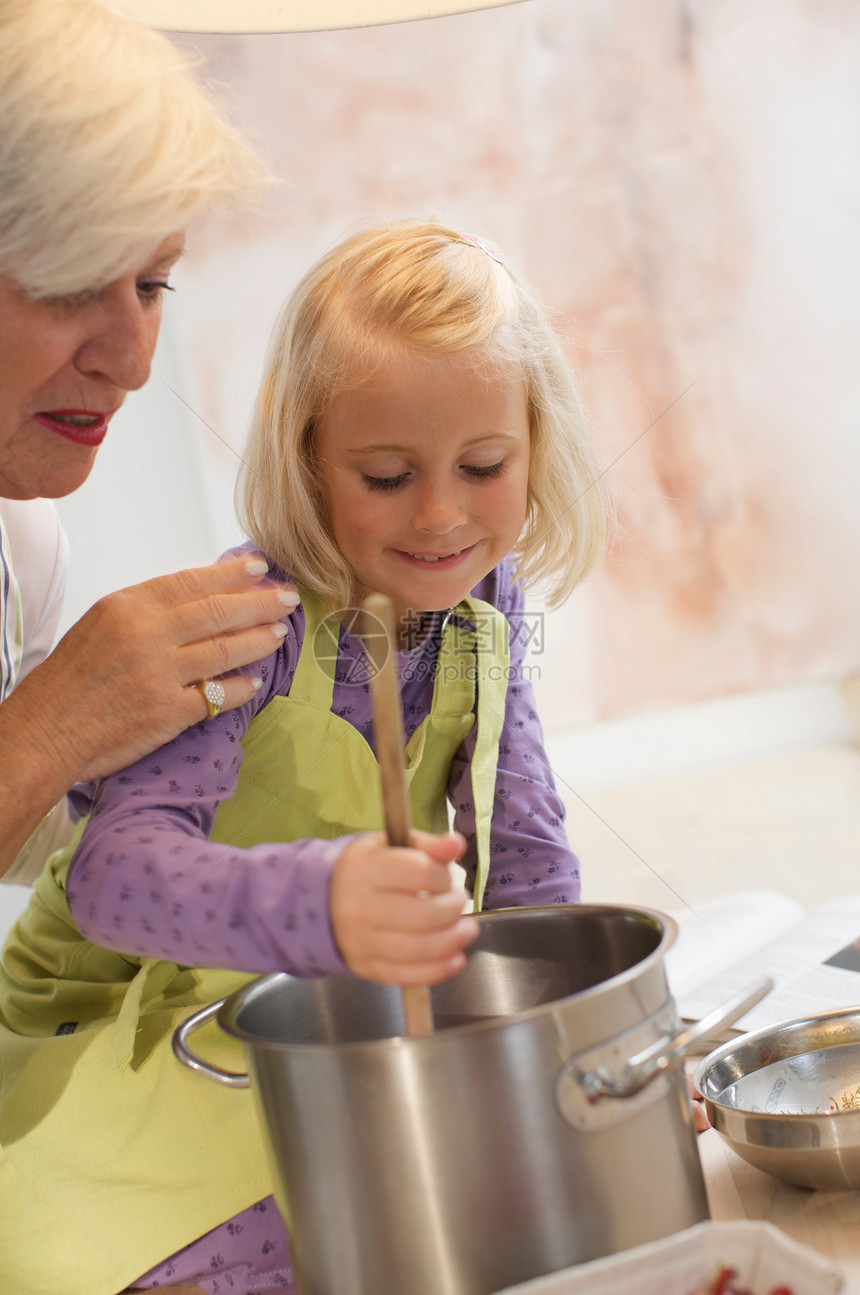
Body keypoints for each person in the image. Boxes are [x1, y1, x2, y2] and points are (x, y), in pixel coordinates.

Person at [0, 221, 606, 1294]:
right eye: (383, 474)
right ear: (307, 462)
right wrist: (321, 902)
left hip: (322, 1015)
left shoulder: (485, 611)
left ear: (535, 448)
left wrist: (576, 1048)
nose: (437, 514)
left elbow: (523, 856)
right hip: (129, 1026)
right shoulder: (248, 624)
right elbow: (111, 875)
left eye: (480, 465)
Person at [0, 0, 300, 883]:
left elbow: (34, 847)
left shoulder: (25, 540)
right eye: (67, 288)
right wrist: (54, 724)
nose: (132, 363)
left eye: (152, 282)